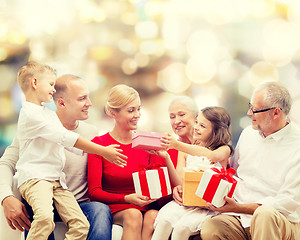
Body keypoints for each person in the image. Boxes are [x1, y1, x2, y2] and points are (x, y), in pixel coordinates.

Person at [0, 63, 126, 239]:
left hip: (72, 200)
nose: (89, 103)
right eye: (82, 98)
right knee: (42, 214)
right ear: (61, 103)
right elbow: (7, 162)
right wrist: (6, 197)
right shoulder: (34, 124)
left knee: (100, 210)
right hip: (41, 196)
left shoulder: (90, 132)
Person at [200, 81, 300, 240]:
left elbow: (286, 203)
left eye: (255, 109)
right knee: (212, 227)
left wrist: (240, 207)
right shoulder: (248, 134)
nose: (248, 112)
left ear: (276, 113)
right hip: (240, 217)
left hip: (279, 221)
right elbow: (232, 173)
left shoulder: (297, 145)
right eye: (249, 106)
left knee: (264, 214)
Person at [88, 84, 167, 240]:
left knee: (153, 216)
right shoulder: (99, 145)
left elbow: (159, 184)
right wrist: (126, 199)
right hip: (118, 207)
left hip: (145, 205)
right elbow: (94, 192)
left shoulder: (147, 142)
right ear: (112, 113)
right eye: (131, 110)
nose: (137, 114)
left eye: (139, 109)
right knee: (133, 215)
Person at [152, 106, 233, 240]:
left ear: (216, 130)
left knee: (181, 229)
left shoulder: (223, 150)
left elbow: (211, 156)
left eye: (202, 125)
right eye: (196, 122)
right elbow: (179, 181)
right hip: (186, 203)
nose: (196, 127)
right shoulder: (186, 149)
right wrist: (166, 157)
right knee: (164, 222)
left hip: (207, 207)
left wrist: (176, 145)